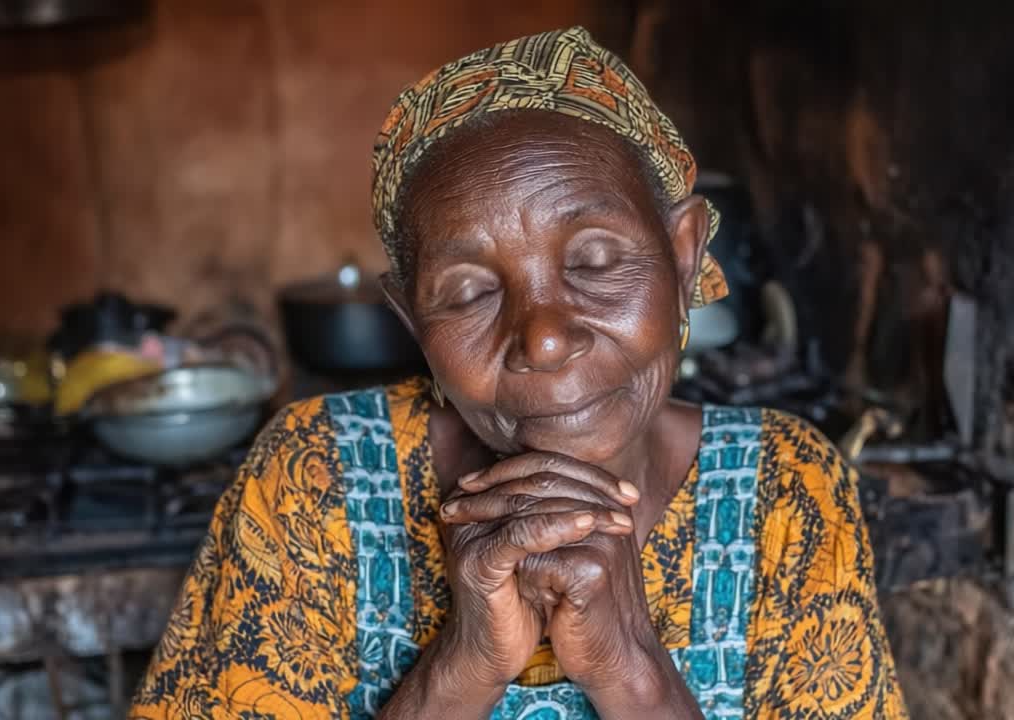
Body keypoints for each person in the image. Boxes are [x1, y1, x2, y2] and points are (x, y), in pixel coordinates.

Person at [129, 26, 907, 720]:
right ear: (413, 322)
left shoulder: (785, 492)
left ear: (682, 256)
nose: (542, 338)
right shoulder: (314, 478)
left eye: (594, 260)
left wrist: (633, 674)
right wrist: (462, 668)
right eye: (470, 292)